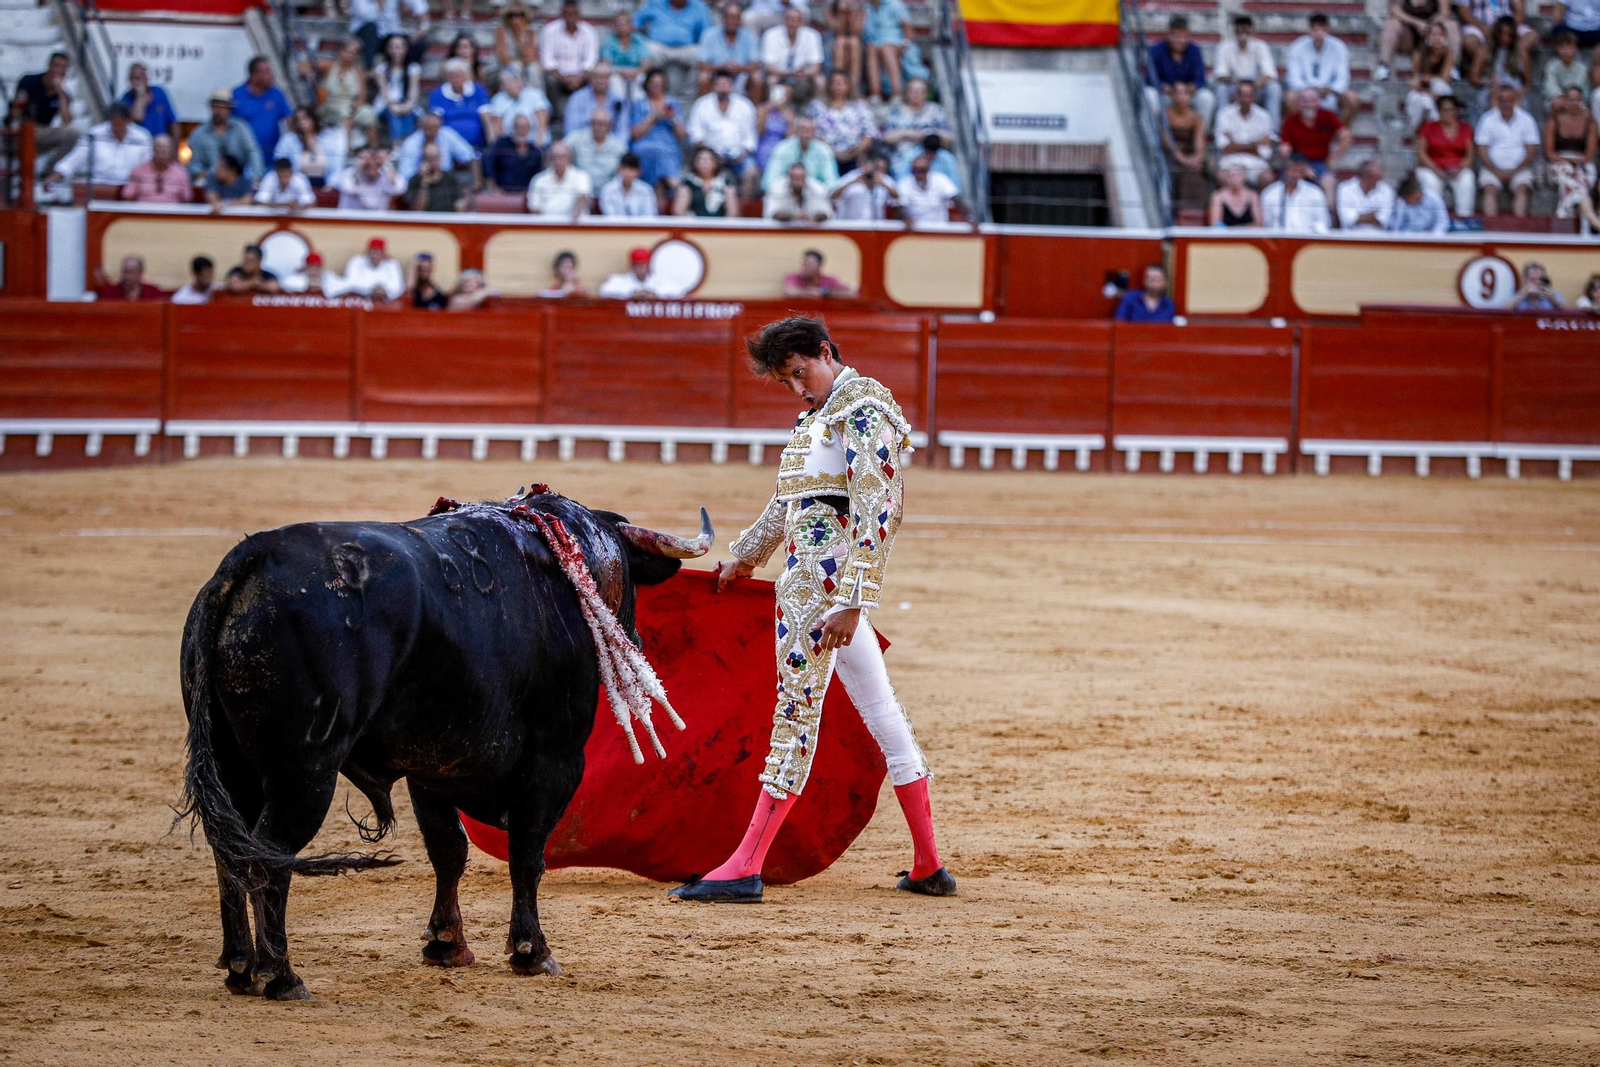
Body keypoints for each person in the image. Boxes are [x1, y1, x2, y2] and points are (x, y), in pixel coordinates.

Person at [668, 315, 952, 905]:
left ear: (825, 353)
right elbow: (789, 503)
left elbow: (879, 508)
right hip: (815, 584)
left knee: (795, 715)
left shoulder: (862, 408)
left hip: (822, 594)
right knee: (885, 718)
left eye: (800, 373)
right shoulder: (818, 418)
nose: (797, 388)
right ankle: (928, 863)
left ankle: (745, 866)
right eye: (786, 381)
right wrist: (744, 557)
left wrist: (853, 601)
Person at [44, 103, 152, 190]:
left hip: (130, 188)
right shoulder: (95, 134)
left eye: (120, 124)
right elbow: (76, 158)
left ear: (128, 120)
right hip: (99, 187)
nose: (117, 128)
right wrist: (55, 176)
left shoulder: (142, 137)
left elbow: (148, 166)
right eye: (114, 124)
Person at [687, 69, 760, 187]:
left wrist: (742, 155)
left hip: (738, 157)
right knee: (704, 166)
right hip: (710, 156)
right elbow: (695, 134)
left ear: (732, 86)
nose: (723, 88)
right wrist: (712, 155)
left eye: (726, 85)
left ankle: (743, 205)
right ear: (713, 86)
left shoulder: (745, 105)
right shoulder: (702, 104)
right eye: (719, 85)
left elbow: (751, 137)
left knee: (751, 173)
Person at [1475, 83, 1539, 217]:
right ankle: (1491, 229)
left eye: (1510, 100)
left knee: (1521, 189)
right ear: (1497, 101)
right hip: (1491, 168)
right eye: (1502, 100)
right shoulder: (1487, 119)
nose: (1506, 104)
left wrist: (1515, 171)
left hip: (1520, 168)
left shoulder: (1527, 119)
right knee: (1489, 189)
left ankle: (1518, 228)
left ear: (1515, 100)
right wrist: (1496, 170)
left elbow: (1532, 151)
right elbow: (1481, 150)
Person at [1285, 14, 1358, 125]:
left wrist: (1332, 89)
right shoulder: (1297, 47)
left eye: (1323, 29)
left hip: (1331, 93)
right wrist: (1312, 90)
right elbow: (1293, 78)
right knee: (1290, 97)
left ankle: (1339, 133)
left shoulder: (1339, 47)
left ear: (1328, 30)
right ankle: (1300, 133)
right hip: (1306, 92)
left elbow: (1343, 77)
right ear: (1309, 30)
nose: (1319, 33)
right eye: (1315, 29)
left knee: (1352, 98)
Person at [13, 52, 80, 173]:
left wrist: (59, 92)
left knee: (73, 134)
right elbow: (17, 109)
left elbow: (67, 121)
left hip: (43, 132)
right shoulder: (29, 81)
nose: (59, 70)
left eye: (63, 68)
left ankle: (48, 171)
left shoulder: (63, 95)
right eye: (56, 66)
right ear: (49, 66)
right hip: (22, 128)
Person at [1279, 86, 1350, 200]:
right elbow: (1284, 150)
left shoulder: (1327, 116)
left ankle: (1329, 214)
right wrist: (1301, 167)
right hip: (1297, 163)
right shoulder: (1291, 120)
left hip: (1320, 164)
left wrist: (1333, 157)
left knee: (1329, 181)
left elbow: (1345, 136)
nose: (1308, 104)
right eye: (1304, 101)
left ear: (1318, 101)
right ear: (1299, 103)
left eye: (1312, 100)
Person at [881, 78, 955, 184]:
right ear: (906, 93)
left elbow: (949, 137)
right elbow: (886, 137)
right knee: (900, 162)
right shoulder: (896, 111)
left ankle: (953, 195)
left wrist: (928, 133)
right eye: (913, 91)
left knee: (948, 160)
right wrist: (907, 134)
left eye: (921, 91)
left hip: (931, 154)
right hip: (903, 155)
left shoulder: (935, 110)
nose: (917, 94)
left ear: (926, 94)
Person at [1145, 16, 1216, 127]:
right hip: (1166, 93)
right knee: (1149, 95)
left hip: (1188, 93)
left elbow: (1200, 78)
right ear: (1169, 35)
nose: (1180, 40)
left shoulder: (1194, 50)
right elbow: (1150, 77)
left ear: (1188, 36)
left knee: (1206, 98)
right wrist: (1167, 88)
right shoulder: (1156, 50)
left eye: (1184, 37)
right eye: (1176, 36)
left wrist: (1188, 89)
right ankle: (1153, 139)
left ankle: (1200, 136)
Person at [635, 0, 715, 95]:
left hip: (686, 48)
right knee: (647, 51)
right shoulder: (656, 3)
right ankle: (645, 93)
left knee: (700, 56)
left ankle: (688, 95)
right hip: (660, 47)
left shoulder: (698, 6)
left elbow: (706, 33)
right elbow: (636, 22)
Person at [1455, 0, 1536, 94]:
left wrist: (1510, 28)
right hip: (1478, 25)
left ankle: (1514, 61)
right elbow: (1464, 12)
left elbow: (1520, 12)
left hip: (1509, 23)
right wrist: (1484, 28)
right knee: (1469, 41)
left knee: (1532, 36)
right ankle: (1485, 67)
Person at [188, 88, 264, 185]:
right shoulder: (199, 133)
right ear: (211, 108)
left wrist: (255, 176)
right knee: (199, 184)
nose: (219, 111)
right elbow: (194, 163)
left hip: (237, 178)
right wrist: (200, 172)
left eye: (223, 108)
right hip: (211, 180)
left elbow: (253, 152)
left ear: (229, 109)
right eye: (216, 107)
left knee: (253, 183)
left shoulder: (241, 128)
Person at [807, 70, 878, 174]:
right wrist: (831, 151)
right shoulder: (817, 106)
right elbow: (809, 130)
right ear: (828, 85)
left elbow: (870, 133)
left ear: (849, 85)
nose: (838, 86)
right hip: (824, 155)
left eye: (842, 82)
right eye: (834, 83)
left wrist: (856, 150)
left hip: (855, 155)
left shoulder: (860, 105)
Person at [1544, 86, 1598, 221]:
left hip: (1583, 163)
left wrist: (1577, 161)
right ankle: (1592, 221)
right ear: (1565, 101)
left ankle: (1564, 217)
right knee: (1570, 178)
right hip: (1559, 162)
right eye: (1571, 100)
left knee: (1578, 179)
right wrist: (1567, 160)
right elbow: (1549, 153)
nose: (1574, 103)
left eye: (1577, 100)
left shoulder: (1590, 123)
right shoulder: (1554, 121)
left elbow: (1590, 153)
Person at [1416, 95, 1476, 214]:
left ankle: (1464, 218)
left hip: (1457, 168)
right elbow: (1421, 152)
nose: (1449, 113)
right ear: (1439, 111)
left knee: (1467, 180)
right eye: (1445, 110)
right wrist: (1436, 170)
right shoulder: (1428, 127)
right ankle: (1433, 220)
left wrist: (1459, 169)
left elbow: (1470, 155)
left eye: (1452, 109)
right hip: (1433, 168)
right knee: (1431, 182)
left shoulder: (1465, 128)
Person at [627, 68, 687, 187]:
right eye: (653, 84)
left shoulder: (673, 104)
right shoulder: (639, 104)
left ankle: (672, 188)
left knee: (663, 155)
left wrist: (673, 119)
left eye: (660, 85)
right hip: (644, 147)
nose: (657, 87)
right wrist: (653, 117)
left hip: (667, 148)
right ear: (647, 85)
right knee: (648, 153)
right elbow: (634, 134)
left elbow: (681, 136)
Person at [541, 0, 601, 119]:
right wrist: (564, 78)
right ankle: (556, 116)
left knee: (597, 77)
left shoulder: (589, 31)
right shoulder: (550, 30)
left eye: (573, 13)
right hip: (558, 76)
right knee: (550, 80)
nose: (570, 17)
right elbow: (547, 61)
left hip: (582, 76)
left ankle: (590, 115)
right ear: (562, 14)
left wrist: (580, 77)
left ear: (579, 15)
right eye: (567, 14)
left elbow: (591, 60)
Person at [1213, 16, 1282, 119]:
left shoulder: (1261, 46)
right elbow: (1220, 75)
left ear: (1251, 32)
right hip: (1234, 87)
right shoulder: (1224, 47)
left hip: (1256, 88)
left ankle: (1273, 131)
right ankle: (1222, 127)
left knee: (1274, 88)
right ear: (1235, 32)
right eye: (1239, 32)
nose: (1242, 36)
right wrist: (1238, 82)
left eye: (1245, 31)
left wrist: (1254, 85)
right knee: (1221, 88)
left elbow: (1270, 75)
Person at [1215, 80, 1277, 188]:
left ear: (1254, 97)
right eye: (1243, 95)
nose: (1246, 99)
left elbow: (1265, 152)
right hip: (1231, 161)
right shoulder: (1224, 114)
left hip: (1256, 163)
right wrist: (1255, 144)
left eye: (1249, 96)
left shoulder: (1264, 116)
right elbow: (1224, 147)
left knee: (1268, 178)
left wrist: (1235, 144)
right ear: (1237, 97)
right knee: (1221, 176)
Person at [1377, 0, 1457, 82]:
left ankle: (1452, 66)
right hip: (1408, 35)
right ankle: (1384, 66)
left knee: (1451, 25)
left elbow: (1444, 12)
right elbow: (1393, 10)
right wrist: (1416, 23)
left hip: (1433, 33)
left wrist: (1430, 26)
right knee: (1391, 23)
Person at [232, 56, 292, 162]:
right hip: (244, 158)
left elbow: (290, 120)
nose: (271, 76)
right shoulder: (237, 95)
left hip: (270, 157)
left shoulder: (276, 94)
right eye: (267, 72)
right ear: (254, 74)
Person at [699, 2, 764, 98]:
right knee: (703, 77)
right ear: (723, 18)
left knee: (756, 77)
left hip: (741, 76)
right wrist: (722, 67)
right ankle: (705, 109)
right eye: (730, 17)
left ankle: (755, 111)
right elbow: (702, 63)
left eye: (736, 18)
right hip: (717, 74)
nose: (732, 21)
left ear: (740, 20)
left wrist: (740, 68)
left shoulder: (749, 35)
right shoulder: (709, 34)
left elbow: (755, 63)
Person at [276, 106, 348, 189]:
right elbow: (280, 161)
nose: (302, 123)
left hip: (325, 184)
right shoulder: (288, 140)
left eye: (305, 118)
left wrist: (331, 185)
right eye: (298, 120)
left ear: (313, 119)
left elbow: (337, 166)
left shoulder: (330, 139)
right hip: (297, 186)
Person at [429, 58, 492, 151]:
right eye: (453, 76)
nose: (456, 79)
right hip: (449, 144)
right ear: (447, 78)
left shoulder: (478, 90)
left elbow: (487, 118)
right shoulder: (438, 93)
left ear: (466, 77)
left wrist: (492, 143)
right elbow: (435, 121)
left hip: (476, 141)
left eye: (459, 76)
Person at [762, 114, 838, 190]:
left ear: (815, 132)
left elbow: (832, 183)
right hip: (786, 192)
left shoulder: (824, 150)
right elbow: (768, 182)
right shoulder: (782, 148)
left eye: (810, 130)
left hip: (813, 193)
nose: (806, 134)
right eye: (803, 129)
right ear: (796, 130)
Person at [397, 111, 478, 182]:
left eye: (435, 127)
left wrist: (459, 164)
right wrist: (420, 175)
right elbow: (405, 174)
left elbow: (469, 154)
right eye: (428, 128)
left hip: (446, 180)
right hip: (420, 180)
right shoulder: (410, 143)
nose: (432, 131)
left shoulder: (446, 134)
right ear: (421, 127)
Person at [1164, 81, 1207, 212]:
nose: (1181, 96)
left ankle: (1195, 212)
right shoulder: (1166, 115)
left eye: (1185, 93)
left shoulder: (1196, 117)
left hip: (1189, 154)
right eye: (1178, 93)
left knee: (1197, 171)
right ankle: (1180, 211)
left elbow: (1199, 141)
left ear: (1190, 96)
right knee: (1182, 171)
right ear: (1172, 96)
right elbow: (1167, 142)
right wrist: (1184, 160)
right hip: (1171, 156)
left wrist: (1197, 158)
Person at [1403, 21, 1455, 130]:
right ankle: (1420, 133)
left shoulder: (1449, 53)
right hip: (1422, 91)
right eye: (1434, 35)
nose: (1437, 38)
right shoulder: (1419, 54)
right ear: (1427, 37)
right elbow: (1415, 83)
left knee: (1440, 86)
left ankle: (1439, 129)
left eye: (1440, 35)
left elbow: (1444, 78)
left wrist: (1426, 79)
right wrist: (1429, 92)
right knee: (1424, 102)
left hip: (1439, 91)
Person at [762, 7, 825, 95]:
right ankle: (774, 107)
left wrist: (803, 73)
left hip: (804, 76)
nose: (792, 24)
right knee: (771, 80)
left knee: (820, 81)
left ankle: (816, 107)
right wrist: (790, 73)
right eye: (790, 20)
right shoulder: (770, 34)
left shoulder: (813, 35)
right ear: (784, 21)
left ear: (802, 22)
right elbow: (769, 67)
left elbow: (816, 67)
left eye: (796, 20)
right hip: (780, 74)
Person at [1261, 153, 1331, 233]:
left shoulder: (1315, 193)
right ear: (1285, 170)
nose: (1295, 175)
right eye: (1293, 170)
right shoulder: (1270, 193)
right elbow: (1265, 224)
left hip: (1308, 240)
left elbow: (1323, 222)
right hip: (1278, 241)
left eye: (1299, 171)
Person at [373, 33, 423, 143]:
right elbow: (384, 94)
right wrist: (394, 107)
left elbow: (413, 94)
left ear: (406, 49)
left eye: (399, 47)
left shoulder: (413, 69)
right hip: (386, 105)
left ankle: (407, 144)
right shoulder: (381, 69)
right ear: (387, 49)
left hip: (407, 103)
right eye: (392, 47)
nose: (396, 51)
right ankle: (397, 144)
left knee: (409, 113)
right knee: (394, 113)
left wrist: (407, 106)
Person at [563, 63, 629, 143]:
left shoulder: (619, 100)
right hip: (582, 145)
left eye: (604, 77)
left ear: (609, 78)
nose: (600, 80)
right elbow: (571, 130)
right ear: (590, 78)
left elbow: (623, 131)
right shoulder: (576, 98)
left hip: (610, 147)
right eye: (596, 76)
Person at [350, 0, 428, 66]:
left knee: (418, 43)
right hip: (367, 33)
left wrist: (423, 28)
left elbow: (420, 5)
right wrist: (380, 2)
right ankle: (369, 68)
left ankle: (407, 73)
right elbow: (367, 16)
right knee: (371, 29)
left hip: (391, 32)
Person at [485, 68, 551, 147]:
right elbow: (498, 127)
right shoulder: (499, 99)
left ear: (518, 82)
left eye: (510, 82)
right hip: (511, 145)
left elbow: (543, 120)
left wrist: (539, 142)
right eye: (504, 83)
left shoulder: (534, 94)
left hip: (535, 141)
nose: (507, 86)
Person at [528, 140, 594, 218]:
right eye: (555, 157)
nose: (558, 161)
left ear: (569, 158)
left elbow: (583, 197)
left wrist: (573, 218)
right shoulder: (539, 180)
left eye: (562, 157)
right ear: (550, 159)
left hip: (575, 225)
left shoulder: (582, 176)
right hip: (547, 226)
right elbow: (534, 208)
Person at [567, 109, 629, 190]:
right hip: (580, 191)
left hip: (608, 194)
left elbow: (625, 172)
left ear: (610, 126)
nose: (598, 127)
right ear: (590, 124)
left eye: (602, 124)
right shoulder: (576, 139)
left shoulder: (619, 148)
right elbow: (558, 149)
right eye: (595, 123)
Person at [861, 0, 909, 102]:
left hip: (896, 42)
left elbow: (908, 29)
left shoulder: (895, 5)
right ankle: (875, 94)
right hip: (873, 43)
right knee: (871, 48)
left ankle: (897, 93)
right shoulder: (866, 8)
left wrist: (904, 45)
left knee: (885, 48)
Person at [121, 134, 191, 204]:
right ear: (153, 149)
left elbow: (187, 199)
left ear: (171, 152)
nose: (162, 154)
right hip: (144, 212)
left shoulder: (180, 172)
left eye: (165, 150)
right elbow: (128, 196)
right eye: (159, 149)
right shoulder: (138, 170)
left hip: (172, 212)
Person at [484, 113, 544, 192]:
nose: (521, 131)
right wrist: (493, 186)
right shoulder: (501, 144)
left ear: (529, 129)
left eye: (524, 128)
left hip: (527, 194)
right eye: (518, 127)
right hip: (501, 192)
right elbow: (488, 162)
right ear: (513, 128)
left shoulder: (535, 152)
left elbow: (538, 176)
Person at [674, 144, 741, 214]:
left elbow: (733, 212)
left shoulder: (726, 183)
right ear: (695, 162)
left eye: (708, 160)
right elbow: (679, 211)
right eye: (701, 159)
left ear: (715, 163)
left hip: (720, 223)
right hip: (693, 223)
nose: (705, 163)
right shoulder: (687, 183)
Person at [830, 150, 897, 220]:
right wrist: (851, 183)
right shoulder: (851, 177)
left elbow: (898, 199)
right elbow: (833, 197)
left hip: (876, 226)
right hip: (851, 225)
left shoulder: (884, 179)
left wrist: (883, 184)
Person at [333, 147, 407, 209]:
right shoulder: (348, 174)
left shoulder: (386, 175)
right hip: (349, 222)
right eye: (368, 163)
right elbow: (351, 188)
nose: (372, 164)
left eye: (376, 161)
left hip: (378, 223)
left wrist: (387, 164)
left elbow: (400, 188)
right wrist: (360, 166)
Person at [897, 151, 959, 225]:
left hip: (939, 229)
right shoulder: (904, 183)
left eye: (922, 170)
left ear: (928, 169)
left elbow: (954, 198)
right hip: (915, 229)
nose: (919, 173)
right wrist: (906, 218)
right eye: (916, 170)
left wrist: (969, 217)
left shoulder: (941, 179)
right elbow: (901, 206)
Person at [603, 12, 653, 101]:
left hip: (636, 72)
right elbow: (606, 63)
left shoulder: (639, 40)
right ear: (614, 26)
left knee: (639, 91)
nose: (622, 26)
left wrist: (636, 72)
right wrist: (620, 72)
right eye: (618, 24)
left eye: (625, 23)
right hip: (616, 72)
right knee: (616, 88)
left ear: (631, 26)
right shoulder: (609, 41)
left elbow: (646, 64)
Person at [120, 62, 177, 141]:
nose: (138, 81)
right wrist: (139, 95)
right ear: (130, 80)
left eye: (141, 77)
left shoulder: (159, 92)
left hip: (159, 145)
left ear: (146, 78)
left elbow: (173, 121)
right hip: (138, 144)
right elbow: (137, 118)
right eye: (135, 78)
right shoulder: (126, 99)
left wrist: (174, 147)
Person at [407, 142, 468, 212]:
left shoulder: (451, 179)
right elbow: (418, 210)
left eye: (436, 157)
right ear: (423, 160)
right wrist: (424, 183)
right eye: (429, 158)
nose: (433, 162)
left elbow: (460, 207)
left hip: (447, 220)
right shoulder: (414, 181)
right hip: (425, 221)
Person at [1335, 160, 1395, 230]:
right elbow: (1346, 219)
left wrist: (1358, 217)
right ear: (1365, 176)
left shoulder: (1386, 190)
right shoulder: (1345, 188)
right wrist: (1372, 216)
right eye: (1376, 177)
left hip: (1378, 237)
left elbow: (1385, 219)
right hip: (1350, 236)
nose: (1379, 180)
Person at [765, 160, 833, 221]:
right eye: (795, 178)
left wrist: (813, 218)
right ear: (788, 177)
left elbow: (826, 213)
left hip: (812, 231)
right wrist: (795, 217)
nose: (797, 182)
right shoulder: (776, 188)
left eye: (801, 178)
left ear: (806, 177)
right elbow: (772, 213)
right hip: (781, 233)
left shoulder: (818, 188)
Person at [1386, 172, 1451, 232]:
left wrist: (1433, 237)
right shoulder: (1401, 203)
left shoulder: (1434, 199)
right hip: (1407, 238)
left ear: (1413, 194)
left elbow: (1442, 222)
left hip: (1430, 238)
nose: (1406, 202)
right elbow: (1395, 225)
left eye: (1407, 199)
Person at [1542, 31, 1590, 108]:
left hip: (1578, 99)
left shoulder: (1582, 68)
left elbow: (1579, 86)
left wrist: (1570, 99)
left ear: (1576, 49)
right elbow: (1550, 85)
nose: (1567, 51)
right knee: (1555, 103)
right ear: (1558, 48)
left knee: (1579, 105)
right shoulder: (1551, 66)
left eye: (1570, 48)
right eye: (1563, 48)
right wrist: (1561, 96)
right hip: (1557, 98)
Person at [495, 5, 540, 86]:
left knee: (533, 69)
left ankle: (536, 97)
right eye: (511, 15)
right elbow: (503, 59)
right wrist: (521, 61)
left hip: (523, 65)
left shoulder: (530, 32)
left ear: (525, 17)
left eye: (519, 15)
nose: (515, 19)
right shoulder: (501, 31)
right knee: (515, 68)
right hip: (503, 67)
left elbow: (532, 57)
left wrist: (519, 36)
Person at [598, 246, 666, 298]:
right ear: (631, 266)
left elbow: (675, 290)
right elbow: (604, 290)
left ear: (648, 266)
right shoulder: (622, 280)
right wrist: (632, 293)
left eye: (642, 265)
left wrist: (654, 293)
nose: (640, 269)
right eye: (637, 265)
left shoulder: (658, 280)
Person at [95, 255, 165, 302]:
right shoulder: (109, 293)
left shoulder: (154, 293)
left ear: (140, 273)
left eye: (131, 272)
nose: (127, 276)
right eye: (125, 271)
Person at [784, 248, 854, 296]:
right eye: (804, 264)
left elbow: (850, 292)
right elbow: (790, 292)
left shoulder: (829, 280)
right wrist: (813, 293)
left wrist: (825, 292)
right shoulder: (793, 277)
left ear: (819, 267)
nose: (805, 268)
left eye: (809, 265)